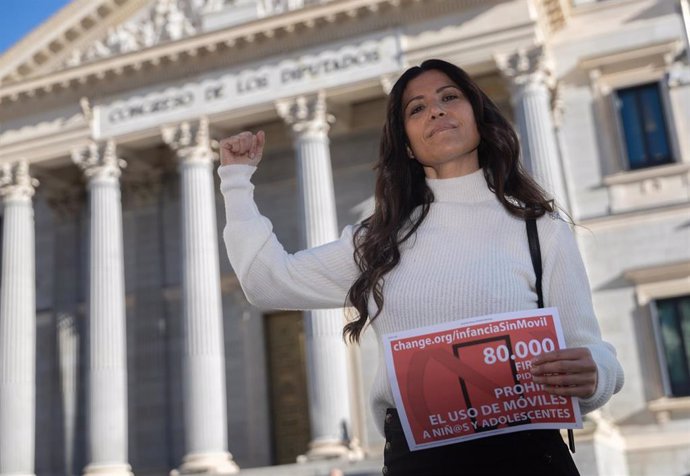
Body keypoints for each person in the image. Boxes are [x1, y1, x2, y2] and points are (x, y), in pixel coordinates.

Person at [217, 59, 624, 475]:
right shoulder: (376, 241)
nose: (436, 110)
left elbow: (593, 351)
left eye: (449, 97)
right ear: (407, 144)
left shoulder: (540, 228)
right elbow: (266, 281)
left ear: (478, 118)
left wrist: (596, 373)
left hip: (528, 454)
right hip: (421, 460)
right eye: (417, 108)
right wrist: (235, 181)